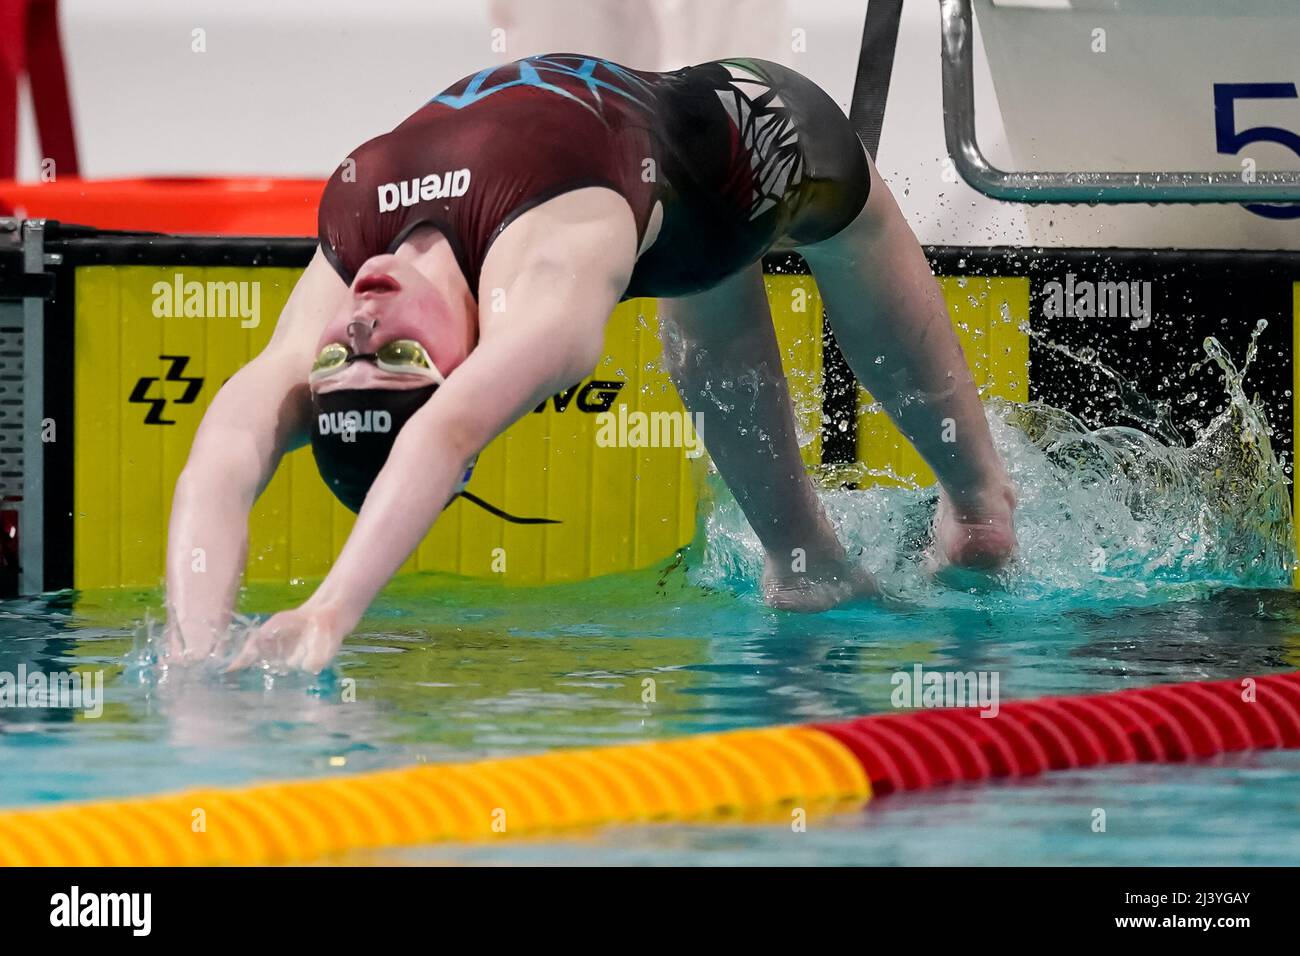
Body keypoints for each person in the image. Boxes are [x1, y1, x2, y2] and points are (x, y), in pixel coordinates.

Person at [164, 54, 1018, 672]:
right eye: (394, 354)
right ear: (463, 366)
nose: (361, 319)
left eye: (342, 353)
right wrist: (313, 623)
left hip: (690, 136)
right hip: (751, 154)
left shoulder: (354, 239)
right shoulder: (545, 297)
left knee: (963, 530)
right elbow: (446, 435)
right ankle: (852, 560)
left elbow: (227, 449)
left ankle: (937, 523)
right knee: (846, 561)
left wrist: (193, 655)